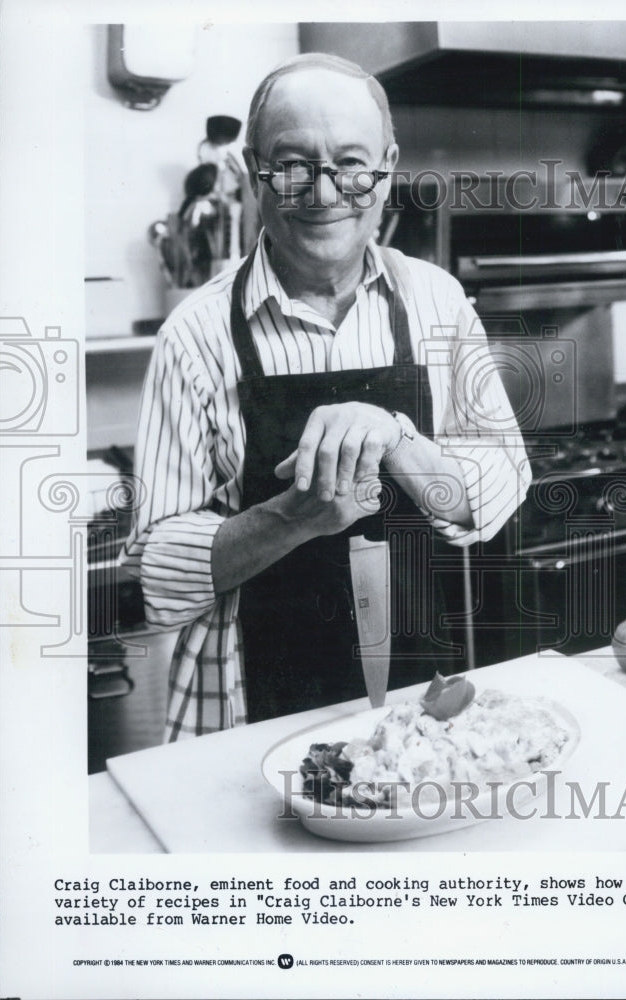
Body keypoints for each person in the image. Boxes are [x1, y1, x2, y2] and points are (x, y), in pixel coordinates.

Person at [122, 52, 531, 740]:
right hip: (243, 706)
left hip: (418, 706)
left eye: (350, 161)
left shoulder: (437, 301)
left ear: (388, 164)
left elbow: (499, 485)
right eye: (292, 163)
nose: (324, 190)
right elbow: (157, 575)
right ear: (255, 168)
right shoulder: (194, 334)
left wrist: (398, 440)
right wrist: (296, 515)